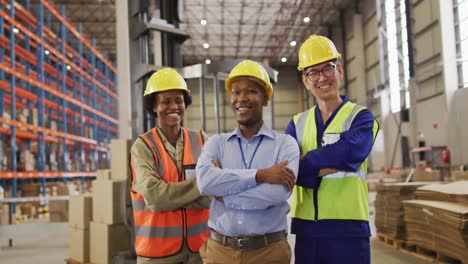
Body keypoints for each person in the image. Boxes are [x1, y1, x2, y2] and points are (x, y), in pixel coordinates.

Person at [286, 35, 379, 264]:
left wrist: (305, 161)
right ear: (305, 80)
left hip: (349, 229)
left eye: (327, 68)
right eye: (313, 73)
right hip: (308, 232)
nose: (322, 78)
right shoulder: (297, 123)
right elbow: (288, 168)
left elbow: (350, 152)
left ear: (340, 71)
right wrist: (324, 165)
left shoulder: (362, 118)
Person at [195, 60, 299, 264]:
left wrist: (224, 194)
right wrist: (260, 175)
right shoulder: (216, 143)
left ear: (265, 98)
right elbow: (205, 183)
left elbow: (278, 194)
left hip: (269, 252)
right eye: (235, 92)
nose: (241, 98)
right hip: (220, 252)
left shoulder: (285, 144)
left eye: (251, 91)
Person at [129, 68, 211, 264]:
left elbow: (216, 195)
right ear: (154, 106)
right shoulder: (143, 147)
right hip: (156, 256)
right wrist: (201, 187)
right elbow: (156, 199)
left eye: (179, 100)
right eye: (166, 101)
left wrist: (172, 198)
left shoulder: (202, 140)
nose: (173, 106)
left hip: (200, 253)